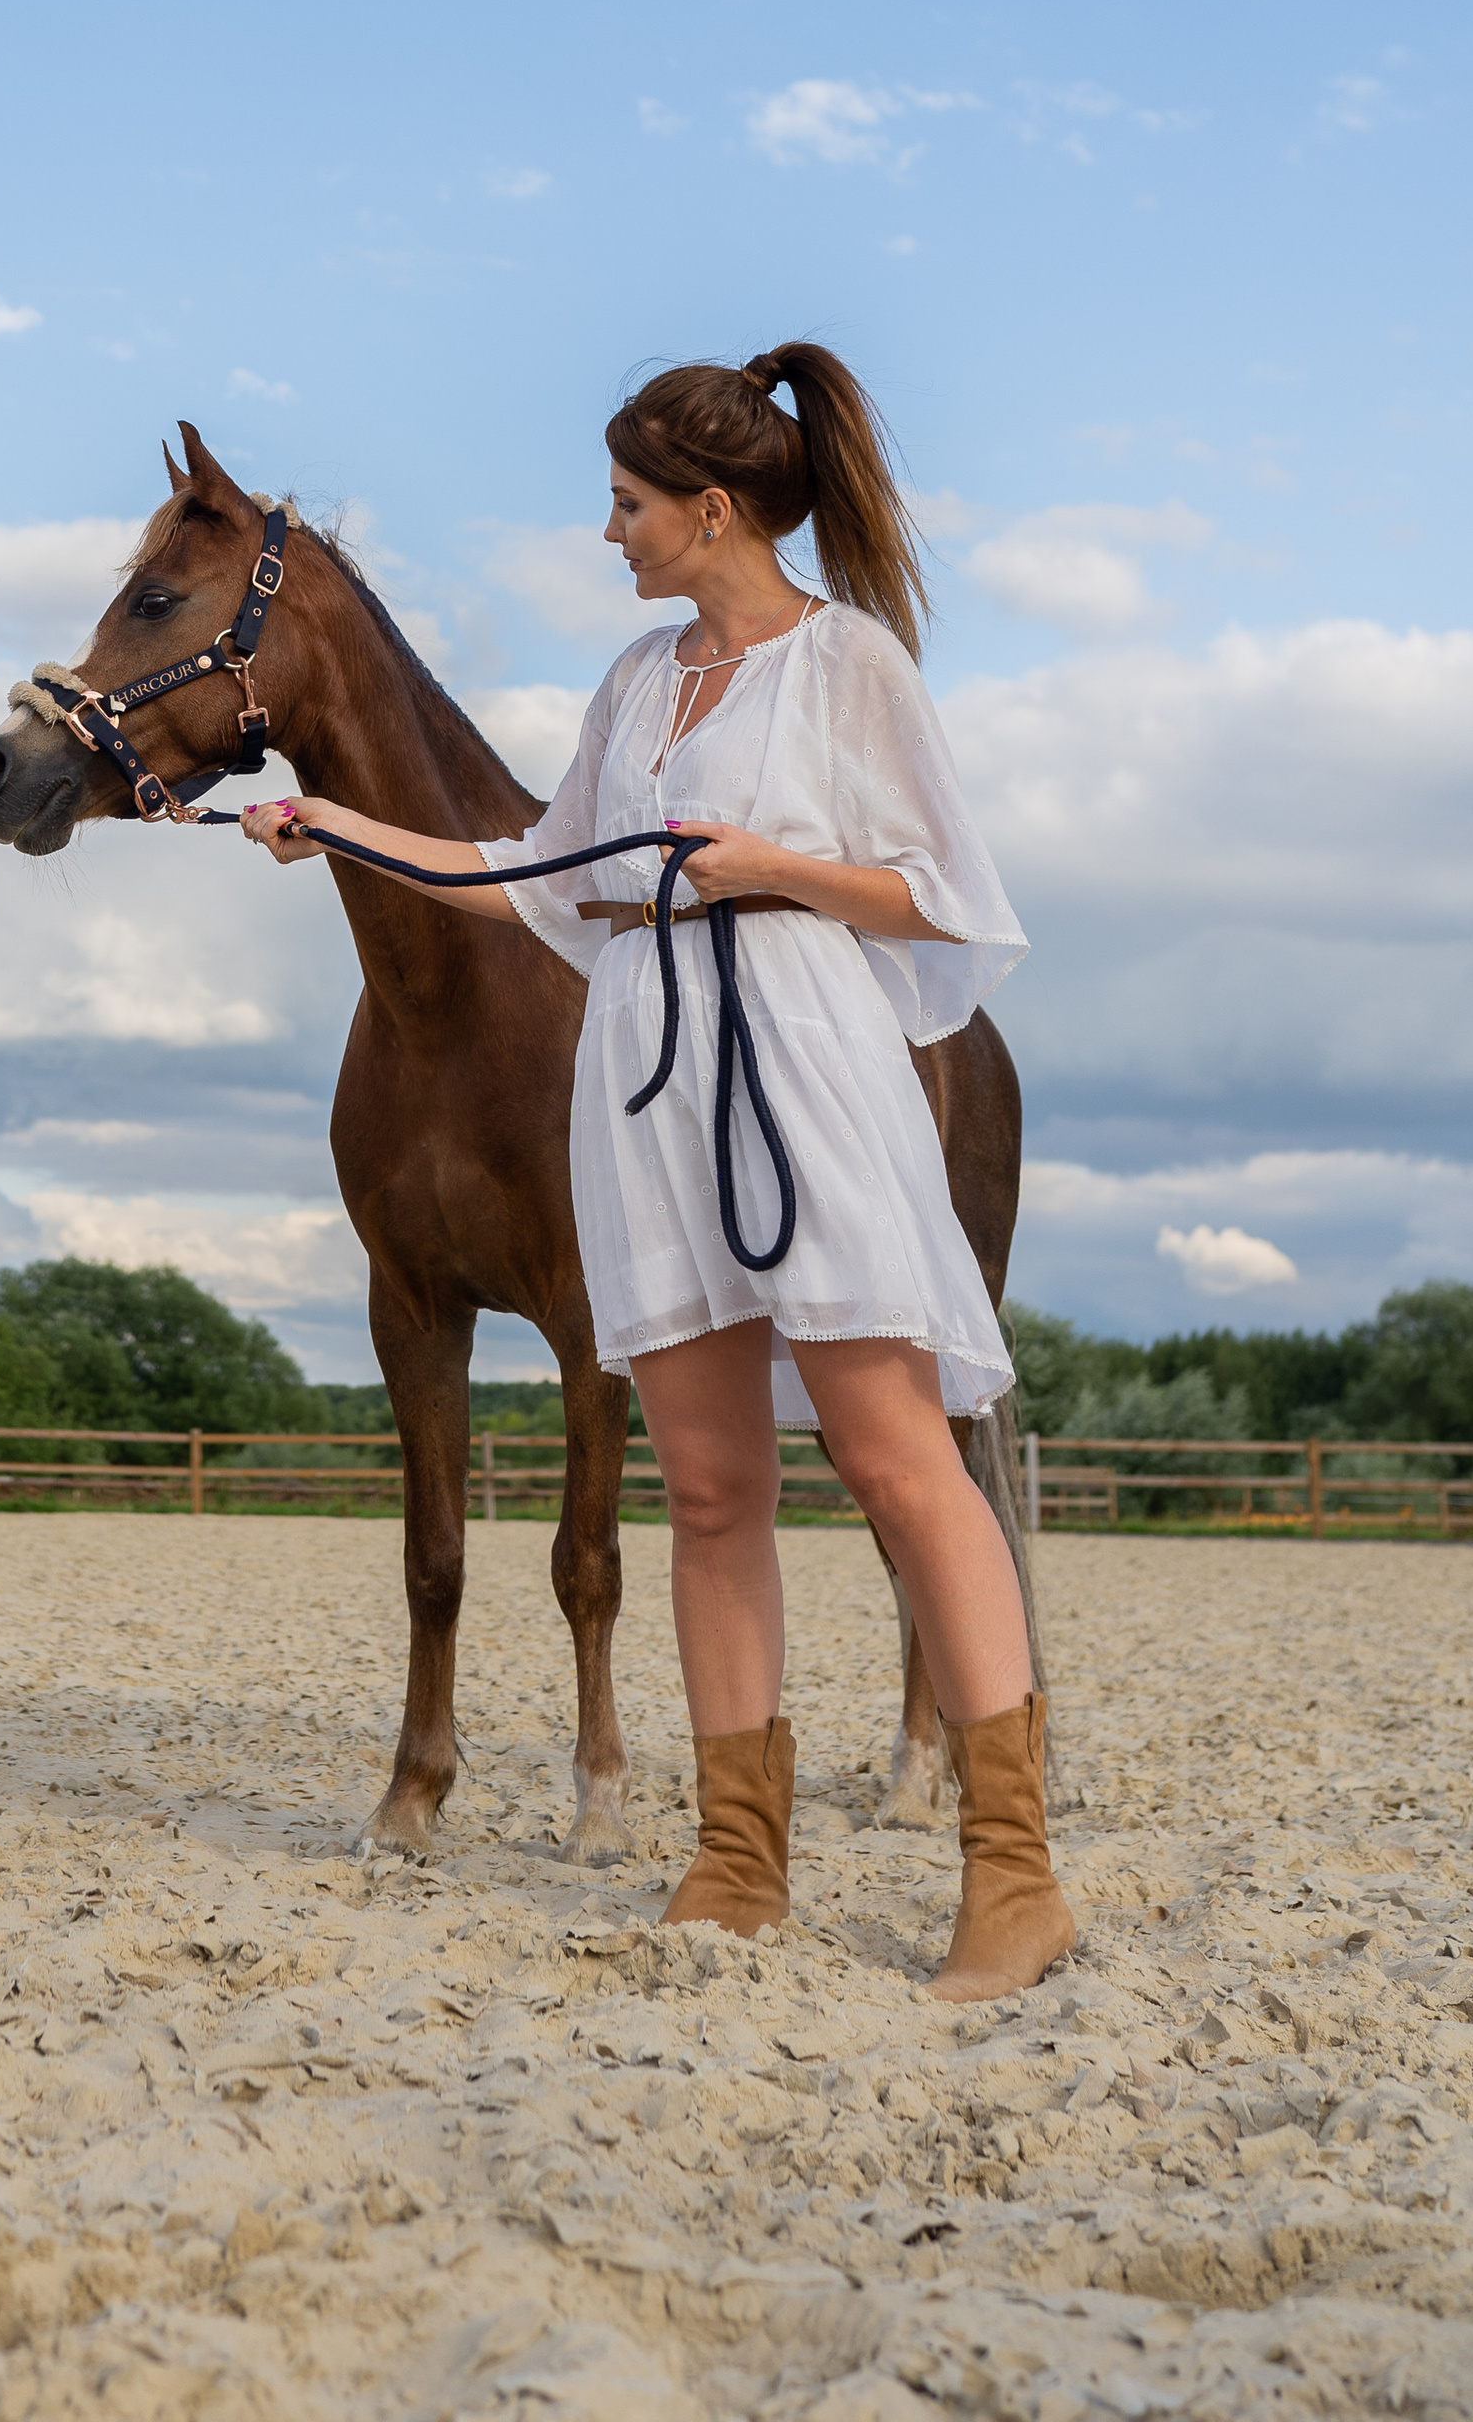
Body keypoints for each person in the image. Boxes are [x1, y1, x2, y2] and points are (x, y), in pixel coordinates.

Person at [241, 344, 1074, 1998]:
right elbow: (539, 876)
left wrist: (775, 867)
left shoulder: (850, 669)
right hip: (646, 1076)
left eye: (627, 504)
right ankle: (736, 1855)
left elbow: (950, 897)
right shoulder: (634, 683)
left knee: (901, 1461)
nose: (607, 530)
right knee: (706, 1485)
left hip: (803, 1057)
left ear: (711, 512)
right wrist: (334, 823)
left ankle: (1014, 1872)